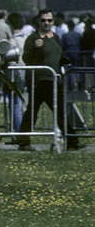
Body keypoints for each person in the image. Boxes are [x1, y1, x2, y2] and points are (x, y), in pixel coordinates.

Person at [18, 11, 81, 150]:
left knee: (59, 111)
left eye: (49, 20)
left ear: (52, 22)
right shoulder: (33, 38)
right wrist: (35, 48)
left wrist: (64, 61)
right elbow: (26, 58)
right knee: (33, 111)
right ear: (38, 22)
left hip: (53, 80)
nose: (46, 23)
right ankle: (23, 142)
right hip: (38, 81)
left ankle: (72, 142)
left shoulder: (55, 38)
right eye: (43, 20)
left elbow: (57, 55)